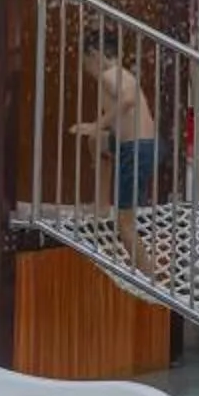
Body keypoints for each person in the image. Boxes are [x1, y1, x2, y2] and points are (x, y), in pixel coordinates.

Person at [75, 32, 160, 277]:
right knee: (98, 143)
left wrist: (96, 124)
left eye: (85, 62)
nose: (86, 68)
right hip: (136, 146)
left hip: (135, 150)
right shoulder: (121, 74)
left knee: (125, 225)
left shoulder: (108, 76)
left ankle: (152, 281)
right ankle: (101, 204)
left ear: (95, 55)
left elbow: (128, 100)